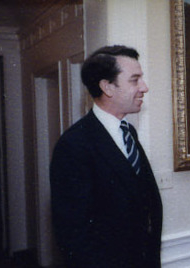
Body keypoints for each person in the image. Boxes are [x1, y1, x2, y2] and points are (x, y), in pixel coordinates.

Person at [50, 45, 162, 267]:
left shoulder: (128, 133)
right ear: (107, 87)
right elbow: (74, 236)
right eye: (135, 79)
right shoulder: (74, 145)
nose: (144, 87)